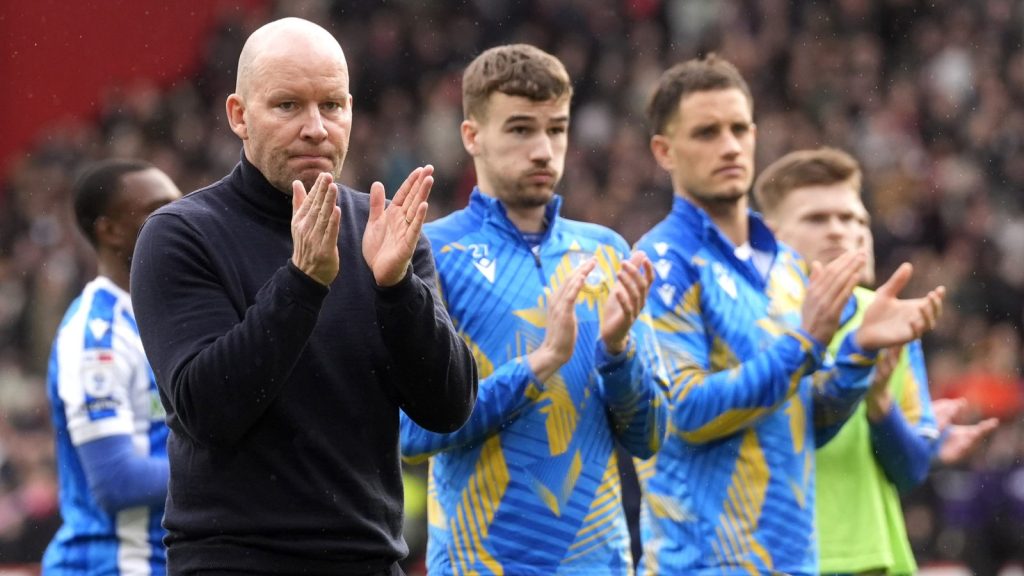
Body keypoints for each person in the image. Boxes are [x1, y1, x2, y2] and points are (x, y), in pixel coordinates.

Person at [129, 17, 477, 575]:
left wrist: (397, 291)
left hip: (368, 560)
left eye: (332, 105)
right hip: (232, 563)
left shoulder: (383, 230)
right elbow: (208, 411)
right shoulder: (180, 235)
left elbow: (448, 407)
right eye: (288, 105)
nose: (316, 128)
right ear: (239, 116)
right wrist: (302, 283)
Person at [633, 54, 945, 575]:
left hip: (794, 560)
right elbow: (684, 413)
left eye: (739, 129)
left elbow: (804, 423)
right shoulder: (662, 262)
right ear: (664, 151)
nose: (730, 146)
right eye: (707, 133)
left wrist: (856, 355)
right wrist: (805, 342)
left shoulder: (784, 267)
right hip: (705, 563)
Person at [399, 44, 669, 574]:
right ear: (471, 136)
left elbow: (650, 435)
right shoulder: (432, 253)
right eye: (521, 129)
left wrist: (618, 353)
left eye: (557, 129)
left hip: (602, 563)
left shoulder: (607, 251)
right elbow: (410, 435)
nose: (544, 150)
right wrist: (538, 365)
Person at [754, 146, 999, 576]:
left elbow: (910, 471)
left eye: (852, 219)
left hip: (876, 558)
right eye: (817, 218)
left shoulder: (889, 318)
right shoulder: (747, 317)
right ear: (770, 236)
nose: (839, 231)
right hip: (774, 558)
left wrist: (882, 408)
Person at [43, 159, 181, 575]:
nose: (179, 217)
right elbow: (119, 481)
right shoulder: (95, 337)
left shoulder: (174, 312)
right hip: (115, 564)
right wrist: (248, 467)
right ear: (109, 230)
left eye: (180, 203)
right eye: (159, 208)